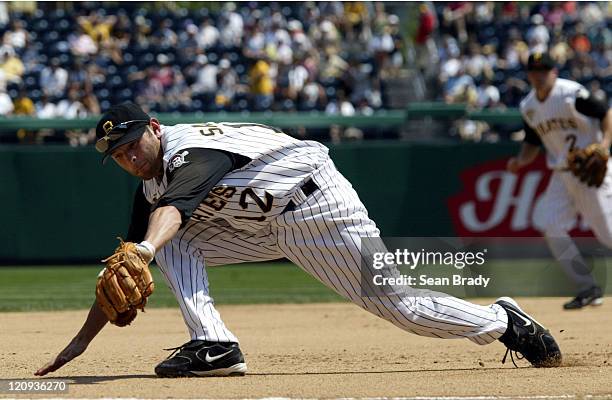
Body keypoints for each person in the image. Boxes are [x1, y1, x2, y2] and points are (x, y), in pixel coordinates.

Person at [36, 102, 562, 378]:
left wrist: (147, 250)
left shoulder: (186, 150)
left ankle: (502, 320)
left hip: (321, 208)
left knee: (402, 306)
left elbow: (172, 213)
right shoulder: (151, 183)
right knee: (161, 244)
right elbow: (124, 265)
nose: (129, 157)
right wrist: (83, 341)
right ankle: (215, 345)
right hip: (262, 225)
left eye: (132, 143)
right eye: (118, 155)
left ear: (153, 127)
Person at [507, 52, 611, 309]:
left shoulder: (570, 93)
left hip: (591, 168)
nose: (539, 75)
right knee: (548, 222)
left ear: (554, 72)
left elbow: (606, 114)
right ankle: (587, 287)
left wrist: (604, 146)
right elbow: (532, 143)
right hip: (562, 173)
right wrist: (520, 161)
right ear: (529, 74)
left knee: (608, 234)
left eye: (545, 70)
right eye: (535, 71)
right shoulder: (529, 107)